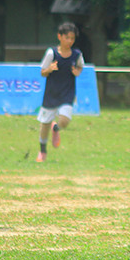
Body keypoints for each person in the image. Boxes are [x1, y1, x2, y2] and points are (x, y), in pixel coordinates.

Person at [36, 22, 84, 162]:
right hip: (51, 93)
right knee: (44, 125)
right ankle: (42, 151)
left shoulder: (76, 54)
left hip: (67, 94)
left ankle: (56, 128)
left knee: (64, 121)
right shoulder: (52, 53)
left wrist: (77, 71)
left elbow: (80, 66)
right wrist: (49, 69)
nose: (70, 41)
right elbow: (42, 72)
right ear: (59, 37)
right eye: (67, 38)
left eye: (72, 38)